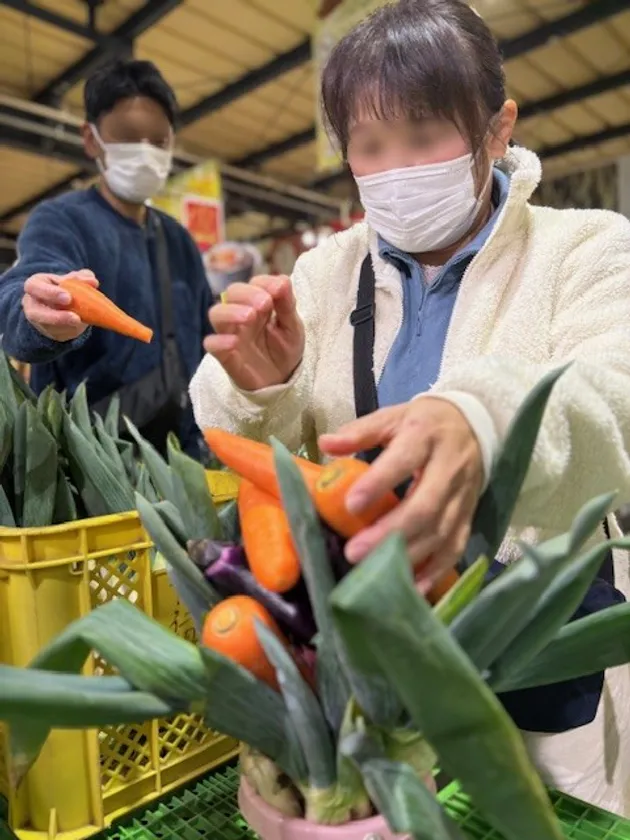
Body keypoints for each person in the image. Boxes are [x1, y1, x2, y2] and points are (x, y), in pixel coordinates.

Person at [190, 0, 630, 814]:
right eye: (370, 145)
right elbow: (240, 443)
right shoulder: (322, 277)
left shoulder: (589, 249)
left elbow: (617, 395)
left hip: (532, 672)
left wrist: (485, 420)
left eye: (425, 136)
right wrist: (261, 384)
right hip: (366, 688)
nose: (395, 169)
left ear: (498, 128)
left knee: (535, 814)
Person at [0, 59, 212, 458]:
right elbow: (25, 285)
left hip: (183, 454)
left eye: (159, 141)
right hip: (92, 463)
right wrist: (36, 315)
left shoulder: (179, 239)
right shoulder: (63, 220)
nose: (146, 153)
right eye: (130, 138)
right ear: (92, 138)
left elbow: (206, 341)